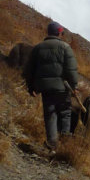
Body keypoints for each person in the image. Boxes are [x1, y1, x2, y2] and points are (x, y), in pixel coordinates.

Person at [23, 21, 79, 151]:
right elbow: (71, 70)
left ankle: (52, 143)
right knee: (65, 113)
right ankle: (65, 143)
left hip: (45, 89)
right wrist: (74, 86)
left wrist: (31, 87)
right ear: (59, 33)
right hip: (62, 88)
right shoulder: (65, 48)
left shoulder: (38, 48)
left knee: (50, 114)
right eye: (61, 33)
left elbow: (29, 70)